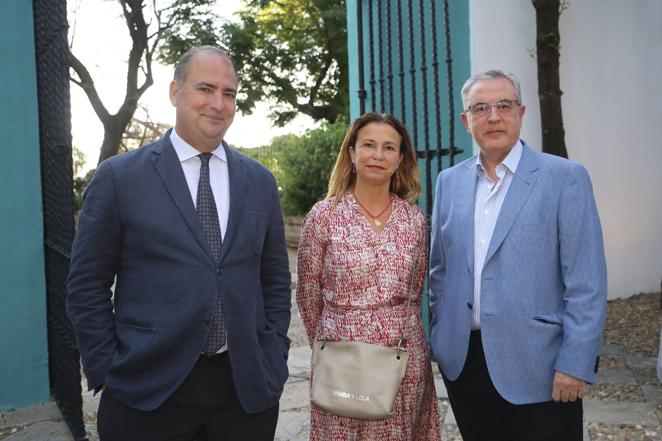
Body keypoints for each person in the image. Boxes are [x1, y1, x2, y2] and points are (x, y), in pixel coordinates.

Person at [67, 46, 291, 441]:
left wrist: (274, 356)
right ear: (175, 92)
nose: (218, 103)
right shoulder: (120, 178)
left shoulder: (258, 181)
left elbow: (273, 280)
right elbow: (86, 284)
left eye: (229, 93)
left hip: (245, 391)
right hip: (147, 391)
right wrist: (107, 368)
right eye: (205, 89)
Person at [428, 69, 607, 441]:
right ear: (466, 121)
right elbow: (439, 270)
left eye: (503, 105)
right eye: (480, 108)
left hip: (541, 366)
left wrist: (575, 363)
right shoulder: (450, 182)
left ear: (521, 113)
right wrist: (441, 337)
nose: (493, 116)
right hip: (466, 365)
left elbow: (586, 283)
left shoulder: (565, 178)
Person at [296, 112, 441, 441]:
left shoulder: (415, 221)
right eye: (369, 145)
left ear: (400, 159)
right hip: (343, 361)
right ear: (351, 152)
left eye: (389, 148)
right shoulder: (324, 216)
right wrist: (333, 343)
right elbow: (307, 295)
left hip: (403, 359)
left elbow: (416, 292)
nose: (378, 155)